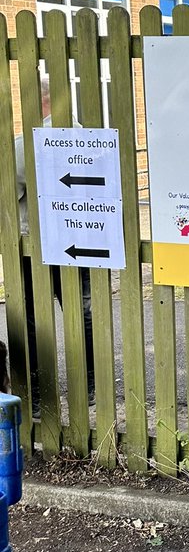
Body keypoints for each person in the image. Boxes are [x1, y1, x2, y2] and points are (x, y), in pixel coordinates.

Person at [14, 79, 95, 410]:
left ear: (40, 102)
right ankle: (91, 385)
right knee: (82, 311)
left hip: (34, 243)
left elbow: (10, 193)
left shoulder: (23, 145)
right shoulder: (87, 139)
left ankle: (36, 393)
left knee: (32, 315)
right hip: (78, 237)